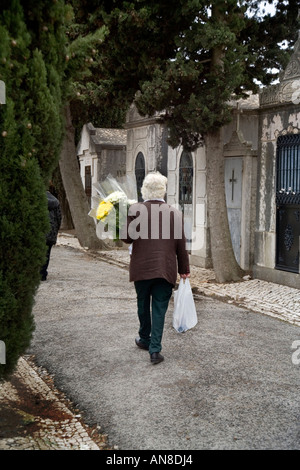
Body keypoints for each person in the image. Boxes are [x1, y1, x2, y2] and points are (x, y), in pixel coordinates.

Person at [121, 172, 190, 365]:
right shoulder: (174, 212)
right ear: (163, 191)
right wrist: (184, 269)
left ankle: (144, 338)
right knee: (159, 307)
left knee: (142, 303)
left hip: (141, 268)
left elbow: (126, 237)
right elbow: (180, 245)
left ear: (144, 190)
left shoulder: (136, 209)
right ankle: (155, 350)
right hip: (165, 268)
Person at [40, 190, 62, 281]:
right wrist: (56, 230)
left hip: (39, 231)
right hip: (50, 232)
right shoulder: (56, 202)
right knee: (46, 253)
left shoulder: (37, 200)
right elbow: (59, 217)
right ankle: (42, 274)